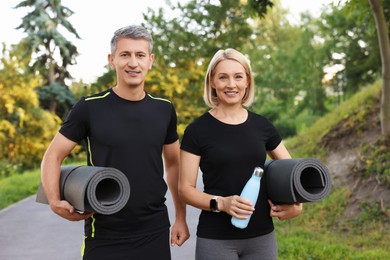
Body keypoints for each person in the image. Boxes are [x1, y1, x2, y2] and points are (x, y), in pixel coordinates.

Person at [40, 25, 189, 260]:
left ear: (150, 61)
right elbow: (53, 155)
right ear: (112, 60)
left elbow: (173, 164)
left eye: (140, 55)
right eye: (125, 55)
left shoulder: (164, 109)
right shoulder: (89, 107)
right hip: (104, 233)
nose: (133, 63)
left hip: (154, 229)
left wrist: (180, 217)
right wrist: (53, 200)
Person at [179, 48, 303, 260]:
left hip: (262, 239)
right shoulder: (197, 130)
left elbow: (290, 173)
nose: (231, 84)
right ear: (212, 82)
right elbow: (185, 190)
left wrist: (296, 206)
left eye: (238, 77)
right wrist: (221, 203)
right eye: (223, 77)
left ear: (247, 82)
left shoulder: (262, 126)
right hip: (216, 239)